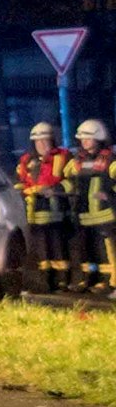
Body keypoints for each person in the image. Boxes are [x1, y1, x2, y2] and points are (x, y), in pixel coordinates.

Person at [17, 122, 74, 293]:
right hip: (33, 213)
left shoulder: (63, 157)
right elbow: (20, 182)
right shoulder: (26, 160)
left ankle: (62, 280)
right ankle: (43, 281)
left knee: (58, 248)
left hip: (56, 212)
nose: (41, 145)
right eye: (37, 141)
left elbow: (71, 182)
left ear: (52, 140)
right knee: (39, 251)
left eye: (45, 141)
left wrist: (55, 190)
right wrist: (23, 192)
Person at [68, 120, 115, 293]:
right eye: (82, 138)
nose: (84, 142)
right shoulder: (77, 161)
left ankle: (108, 282)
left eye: (88, 138)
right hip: (83, 214)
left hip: (104, 214)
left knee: (105, 251)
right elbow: (66, 180)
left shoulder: (110, 160)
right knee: (87, 250)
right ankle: (88, 279)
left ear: (98, 138)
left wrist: (109, 195)